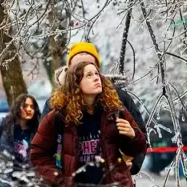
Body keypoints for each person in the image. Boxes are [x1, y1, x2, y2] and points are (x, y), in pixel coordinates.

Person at [41, 42, 147, 175]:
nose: (85, 69)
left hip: (111, 186)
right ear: (70, 71)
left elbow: (140, 134)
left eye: (90, 66)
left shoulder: (117, 98)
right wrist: (55, 177)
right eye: (79, 68)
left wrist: (133, 164)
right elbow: (41, 147)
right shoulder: (56, 104)